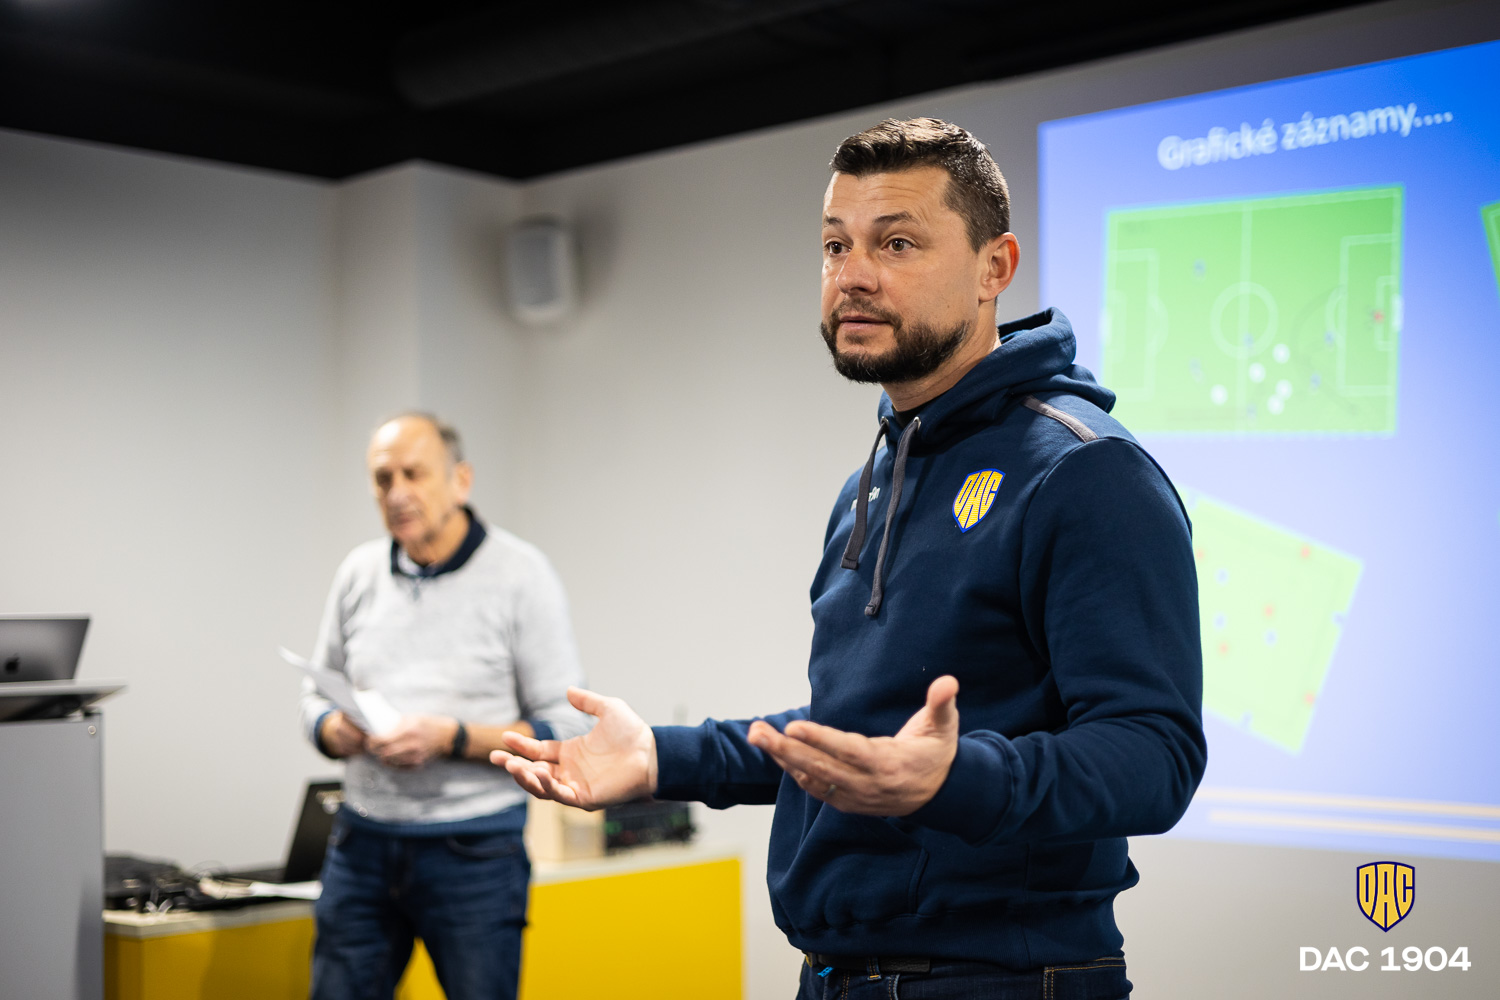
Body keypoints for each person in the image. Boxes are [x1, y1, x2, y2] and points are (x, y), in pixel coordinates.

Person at [493, 118, 1206, 999]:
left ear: (995, 267)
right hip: (837, 976)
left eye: (896, 243)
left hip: (1001, 980)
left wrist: (955, 779)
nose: (853, 274)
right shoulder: (870, 483)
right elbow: (856, 734)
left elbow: (1155, 754)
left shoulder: (1085, 472)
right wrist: (664, 761)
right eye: (836, 245)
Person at [300, 412, 589, 1000]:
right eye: (383, 479)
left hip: (474, 851)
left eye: (414, 474)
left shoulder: (521, 575)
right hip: (360, 842)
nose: (396, 493)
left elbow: (564, 726)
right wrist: (334, 730)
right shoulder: (358, 572)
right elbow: (314, 695)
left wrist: (450, 737)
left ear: (461, 481)